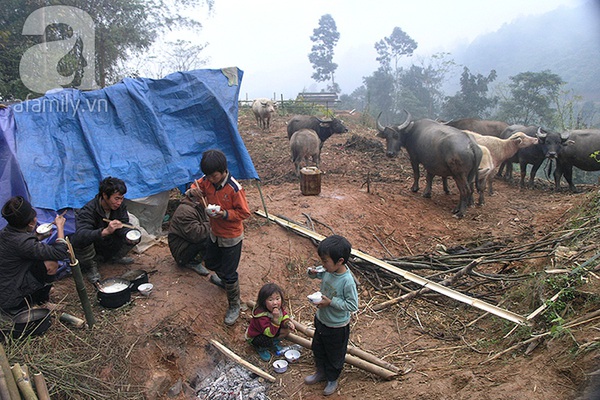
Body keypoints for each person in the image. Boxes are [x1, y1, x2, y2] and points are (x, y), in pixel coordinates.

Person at [192, 149, 251, 325]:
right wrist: (193, 191)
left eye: (214, 176)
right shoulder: (207, 181)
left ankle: (234, 305)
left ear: (223, 171)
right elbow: (197, 185)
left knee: (230, 272)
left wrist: (225, 214)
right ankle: (224, 281)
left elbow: (244, 212)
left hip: (231, 237)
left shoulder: (234, 188)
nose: (210, 179)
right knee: (210, 263)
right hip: (215, 233)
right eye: (208, 176)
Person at [305, 235, 359, 397]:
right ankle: (320, 372)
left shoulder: (347, 281)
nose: (323, 265)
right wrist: (312, 272)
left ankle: (332, 378)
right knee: (318, 348)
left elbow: (352, 305)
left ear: (340, 261)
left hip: (337, 326)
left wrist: (331, 302)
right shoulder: (328, 270)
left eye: (326, 261)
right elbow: (318, 274)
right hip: (322, 319)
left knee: (335, 354)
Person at [0, 196, 69, 315]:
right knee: (51, 263)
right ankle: (42, 301)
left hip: (5, 288)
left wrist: (38, 237)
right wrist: (60, 227)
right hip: (12, 300)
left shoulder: (6, 233)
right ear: (31, 224)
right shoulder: (23, 243)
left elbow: (21, 247)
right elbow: (60, 252)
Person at [70, 177, 140, 283]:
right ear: (105, 195)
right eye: (116, 198)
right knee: (82, 242)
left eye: (121, 198)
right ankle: (90, 267)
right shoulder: (89, 210)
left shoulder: (120, 206)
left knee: (133, 235)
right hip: (95, 245)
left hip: (108, 243)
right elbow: (80, 235)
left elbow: (124, 223)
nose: (119, 202)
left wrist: (127, 233)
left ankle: (115, 257)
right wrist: (105, 231)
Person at [245, 283, 296, 361]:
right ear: (263, 302)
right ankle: (261, 348)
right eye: (270, 300)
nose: (275, 303)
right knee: (266, 340)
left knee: (286, 330)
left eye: (277, 299)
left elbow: (284, 315)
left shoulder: (278, 308)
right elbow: (269, 333)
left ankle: (273, 344)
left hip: (272, 330)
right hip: (258, 335)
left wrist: (287, 323)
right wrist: (275, 319)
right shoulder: (261, 316)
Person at [168, 188, 211, 276]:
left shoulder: (197, 206)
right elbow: (198, 235)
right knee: (209, 238)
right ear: (200, 199)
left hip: (188, 242)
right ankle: (192, 261)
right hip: (182, 252)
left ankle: (204, 257)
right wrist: (212, 222)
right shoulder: (185, 212)